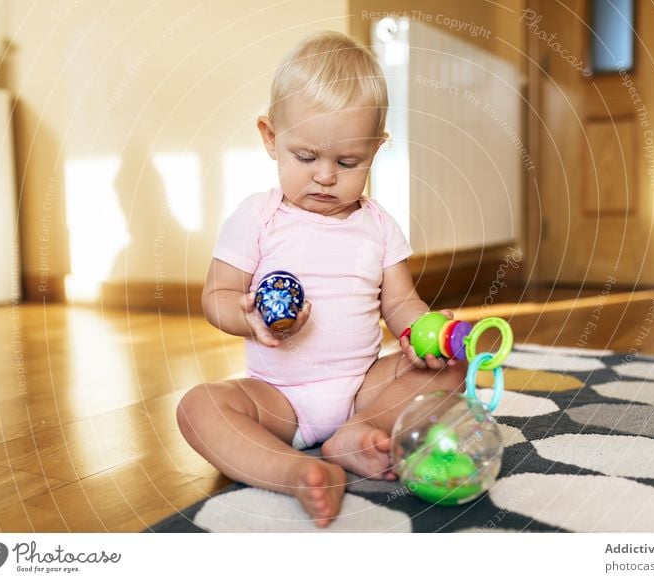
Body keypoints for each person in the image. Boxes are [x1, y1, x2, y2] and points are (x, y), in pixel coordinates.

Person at [176, 30, 466, 527]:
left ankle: (355, 434)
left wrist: (424, 334)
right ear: (271, 138)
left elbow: (400, 303)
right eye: (305, 157)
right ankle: (289, 468)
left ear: (376, 151)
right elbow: (216, 296)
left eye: (348, 162)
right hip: (280, 398)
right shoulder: (258, 217)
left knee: (452, 369)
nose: (325, 176)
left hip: (363, 390)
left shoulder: (378, 224)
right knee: (198, 407)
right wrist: (247, 318)